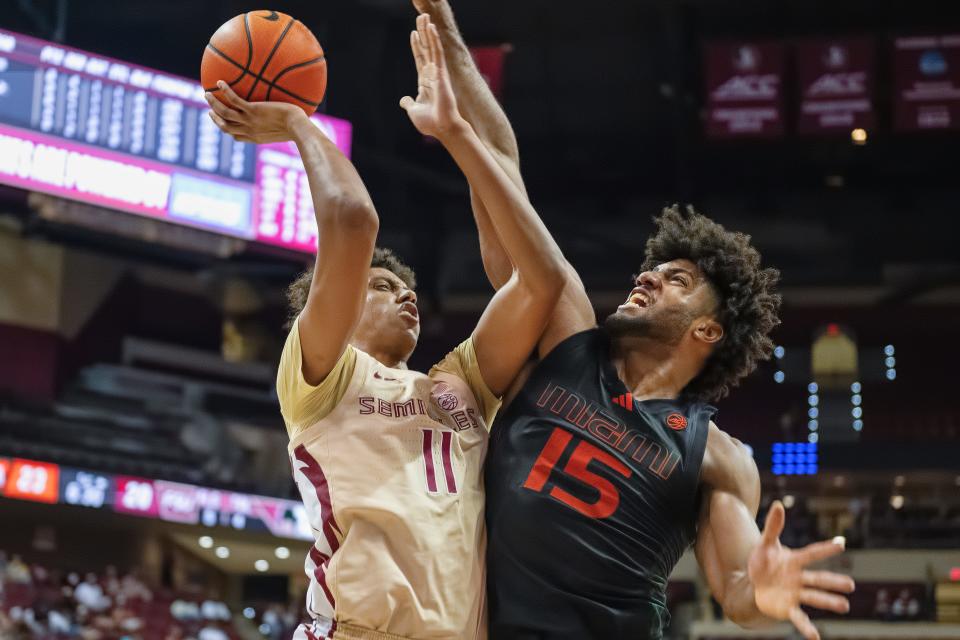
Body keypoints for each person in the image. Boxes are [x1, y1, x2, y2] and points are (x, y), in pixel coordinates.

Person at [408, 3, 857, 638]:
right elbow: (504, 167)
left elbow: (735, 590)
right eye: (654, 268)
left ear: (709, 330)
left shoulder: (717, 457)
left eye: (678, 281)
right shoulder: (566, 338)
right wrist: (448, 34)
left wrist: (763, 591)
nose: (647, 277)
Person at [205, 11, 566, 640]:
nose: (406, 298)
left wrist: (457, 135)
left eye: (409, 290)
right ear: (331, 315)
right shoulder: (319, 377)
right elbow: (351, 221)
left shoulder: (455, 384)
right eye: (382, 287)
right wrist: (296, 121)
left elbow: (540, 283)